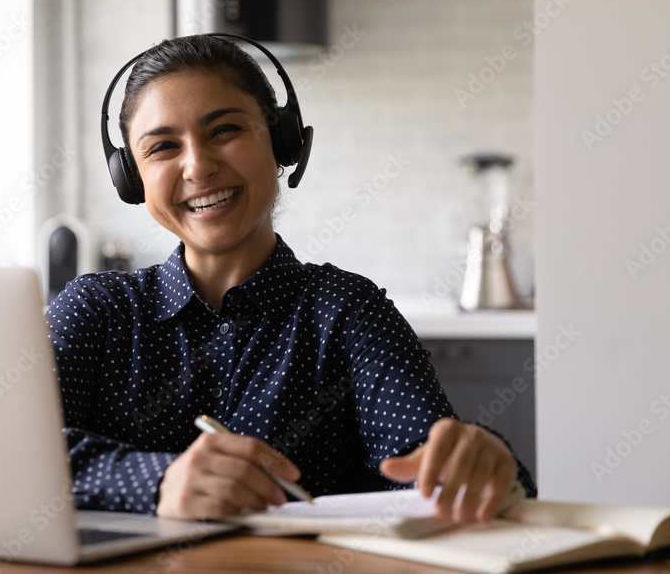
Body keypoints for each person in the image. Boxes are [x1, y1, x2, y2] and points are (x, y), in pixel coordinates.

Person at [47, 34, 536, 524]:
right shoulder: (95, 309)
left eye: (224, 131)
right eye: (163, 147)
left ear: (282, 143)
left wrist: (477, 464)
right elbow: (2, 454)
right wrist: (156, 481)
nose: (197, 166)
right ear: (132, 178)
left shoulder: (346, 310)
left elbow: (427, 459)